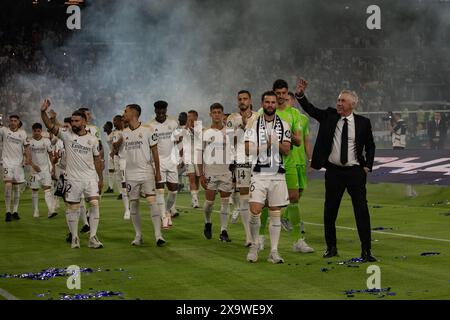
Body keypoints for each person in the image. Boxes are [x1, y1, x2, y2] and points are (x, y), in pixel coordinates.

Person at [295, 78, 377, 262]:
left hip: (355, 172)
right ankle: (331, 248)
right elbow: (311, 109)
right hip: (334, 172)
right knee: (330, 210)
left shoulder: (363, 122)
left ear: (353, 104)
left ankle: (366, 251)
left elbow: (370, 145)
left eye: (343, 101)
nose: (339, 103)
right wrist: (300, 95)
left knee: (361, 211)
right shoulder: (330, 116)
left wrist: (367, 165)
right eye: (338, 100)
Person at [258, 80, 314, 254]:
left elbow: (297, 140)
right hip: (269, 162)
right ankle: (260, 237)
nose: (281, 96)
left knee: (294, 198)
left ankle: (298, 241)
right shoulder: (261, 112)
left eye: (284, 93)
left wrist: (285, 135)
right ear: (274, 94)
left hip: (288, 162)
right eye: (278, 93)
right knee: (268, 202)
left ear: (287, 93)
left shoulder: (294, 114)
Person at [41, 99, 104, 249]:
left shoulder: (93, 140)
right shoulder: (66, 135)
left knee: (94, 204)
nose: (73, 123)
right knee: (72, 208)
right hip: (72, 179)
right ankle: (75, 237)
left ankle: (93, 238)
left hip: (89, 178)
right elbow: (50, 126)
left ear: (83, 122)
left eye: (76, 121)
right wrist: (42, 112)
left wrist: (100, 178)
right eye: (72, 121)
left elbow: (97, 161)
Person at [245, 91, 291, 263]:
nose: (270, 105)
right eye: (267, 102)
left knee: (275, 213)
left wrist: (276, 143)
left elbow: (286, 150)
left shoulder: (284, 125)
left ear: (275, 104)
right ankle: (254, 245)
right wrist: (265, 145)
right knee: (255, 210)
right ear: (262, 103)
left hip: (278, 174)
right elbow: (248, 149)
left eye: (273, 102)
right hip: (259, 173)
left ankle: (274, 251)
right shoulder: (253, 124)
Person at [119, 104, 165, 246]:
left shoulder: (148, 130)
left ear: (133, 113)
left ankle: (158, 236)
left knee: (152, 201)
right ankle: (138, 235)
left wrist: (158, 173)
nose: (123, 113)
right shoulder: (124, 133)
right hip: (131, 174)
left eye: (125, 111)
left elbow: (155, 153)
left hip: (146, 172)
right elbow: (118, 152)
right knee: (134, 204)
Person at [226, 90, 259, 246]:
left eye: (245, 98)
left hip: (257, 161)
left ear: (250, 100)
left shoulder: (258, 117)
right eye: (240, 99)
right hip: (242, 161)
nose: (242, 101)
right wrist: (242, 126)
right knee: (245, 199)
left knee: (259, 199)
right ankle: (248, 237)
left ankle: (258, 234)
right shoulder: (232, 119)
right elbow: (230, 141)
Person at [198, 103, 234, 242]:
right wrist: (201, 174)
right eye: (214, 112)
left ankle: (223, 231)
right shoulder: (205, 132)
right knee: (209, 203)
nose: (217, 115)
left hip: (225, 172)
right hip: (210, 173)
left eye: (219, 112)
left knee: (225, 202)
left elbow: (233, 153)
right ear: (210, 114)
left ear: (223, 114)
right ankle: (207, 222)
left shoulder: (229, 133)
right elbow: (199, 155)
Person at [147, 101, 180, 229]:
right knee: (160, 190)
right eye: (158, 111)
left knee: (174, 191)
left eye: (163, 111)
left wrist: (179, 156)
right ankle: (164, 217)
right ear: (155, 110)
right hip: (158, 161)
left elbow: (177, 141)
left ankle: (166, 211)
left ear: (166, 110)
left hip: (171, 161)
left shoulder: (173, 123)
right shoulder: (150, 126)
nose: (161, 113)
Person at [0, 114, 30, 222]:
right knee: (8, 185)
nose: (13, 122)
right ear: (9, 122)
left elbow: (26, 147)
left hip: (18, 164)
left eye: (15, 121)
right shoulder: (4, 130)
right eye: (11, 120)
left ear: (18, 122)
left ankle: (15, 211)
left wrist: (26, 159)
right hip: (7, 162)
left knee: (17, 188)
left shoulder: (22, 133)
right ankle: (7, 212)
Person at [28, 123, 57, 218]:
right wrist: (33, 165)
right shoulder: (29, 142)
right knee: (35, 190)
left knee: (47, 188)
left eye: (38, 131)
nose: (36, 133)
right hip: (34, 170)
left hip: (45, 169)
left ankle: (51, 210)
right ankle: (36, 211)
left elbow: (50, 154)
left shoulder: (46, 141)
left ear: (41, 131)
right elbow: (27, 156)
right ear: (32, 131)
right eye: (35, 131)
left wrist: (52, 166)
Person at [111, 115, 130, 219]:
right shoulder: (116, 133)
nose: (114, 122)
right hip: (122, 160)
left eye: (115, 120)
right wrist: (122, 139)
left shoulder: (130, 130)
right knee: (124, 185)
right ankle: (127, 209)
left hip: (133, 161)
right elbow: (115, 146)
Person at [183, 110, 201, 208]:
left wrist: (191, 128)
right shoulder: (186, 128)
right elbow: (182, 137)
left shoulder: (200, 127)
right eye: (188, 116)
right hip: (188, 156)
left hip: (198, 156)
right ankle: (195, 200)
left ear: (196, 117)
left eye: (191, 116)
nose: (189, 118)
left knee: (197, 178)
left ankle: (195, 197)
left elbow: (199, 138)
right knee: (191, 177)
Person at [103, 121, 115, 194]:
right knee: (110, 171)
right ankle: (110, 187)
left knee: (118, 172)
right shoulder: (107, 135)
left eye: (105, 126)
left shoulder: (113, 134)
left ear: (109, 127)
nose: (103, 127)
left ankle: (124, 188)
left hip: (115, 154)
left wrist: (113, 153)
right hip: (110, 154)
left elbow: (115, 144)